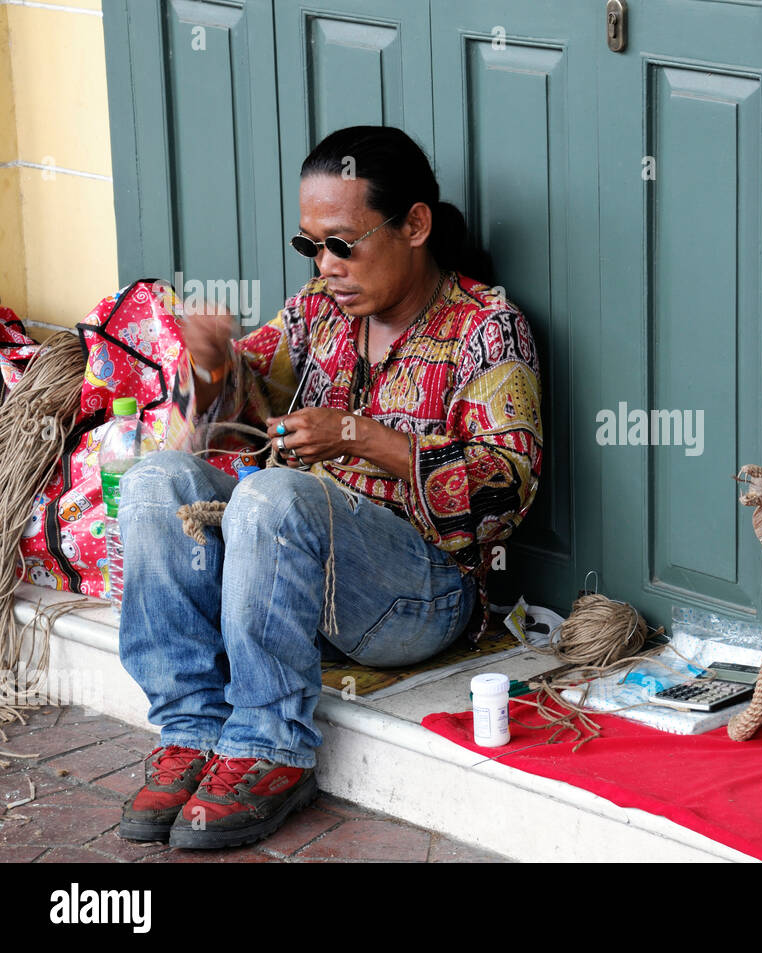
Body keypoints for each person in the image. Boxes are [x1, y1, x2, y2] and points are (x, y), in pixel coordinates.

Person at [115, 125, 543, 849]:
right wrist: (216, 367)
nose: (326, 264)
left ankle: (270, 746)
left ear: (414, 225)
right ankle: (190, 727)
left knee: (275, 497)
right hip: (299, 574)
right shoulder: (319, 310)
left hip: (421, 595)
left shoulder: (487, 327)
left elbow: (506, 490)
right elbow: (244, 405)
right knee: (158, 482)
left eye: (343, 243)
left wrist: (359, 435)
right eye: (310, 245)